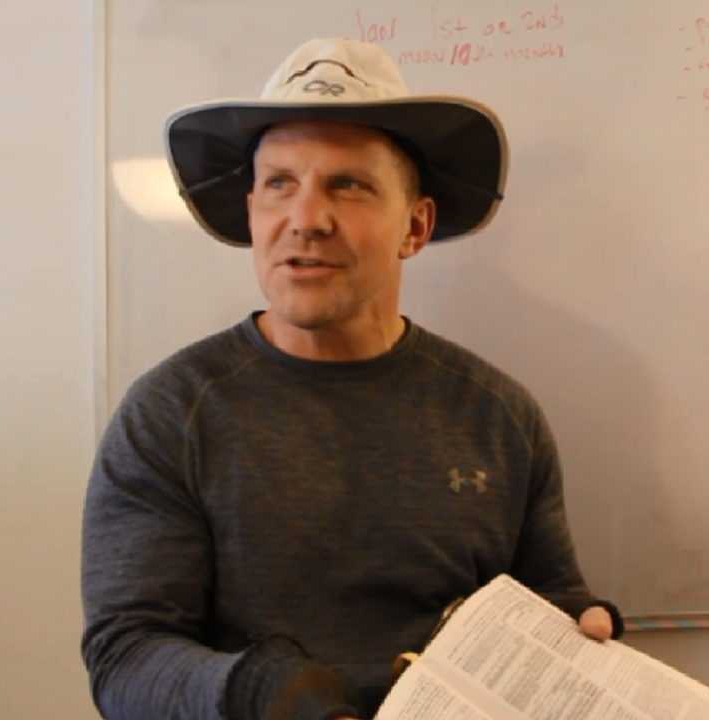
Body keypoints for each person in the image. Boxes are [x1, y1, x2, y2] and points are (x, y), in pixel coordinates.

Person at [80, 37, 624, 720]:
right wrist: (261, 692)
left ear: (414, 226)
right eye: (279, 183)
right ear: (252, 211)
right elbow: (126, 657)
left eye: (348, 185)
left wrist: (574, 626)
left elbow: (549, 598)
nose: (306, 219)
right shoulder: (170, 415)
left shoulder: (500, 415)